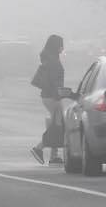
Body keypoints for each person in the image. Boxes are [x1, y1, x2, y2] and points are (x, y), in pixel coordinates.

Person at [30, 34, 66, 165]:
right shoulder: (53, 61)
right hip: (52, 96)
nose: (63, 48)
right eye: (61, 45)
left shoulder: (49, 58)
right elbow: (55, 81)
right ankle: (39, 148)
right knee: (57, 126)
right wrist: (59, 94)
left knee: (56, 125)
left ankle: (54, 156)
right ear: (56, 46)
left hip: (48, 95)